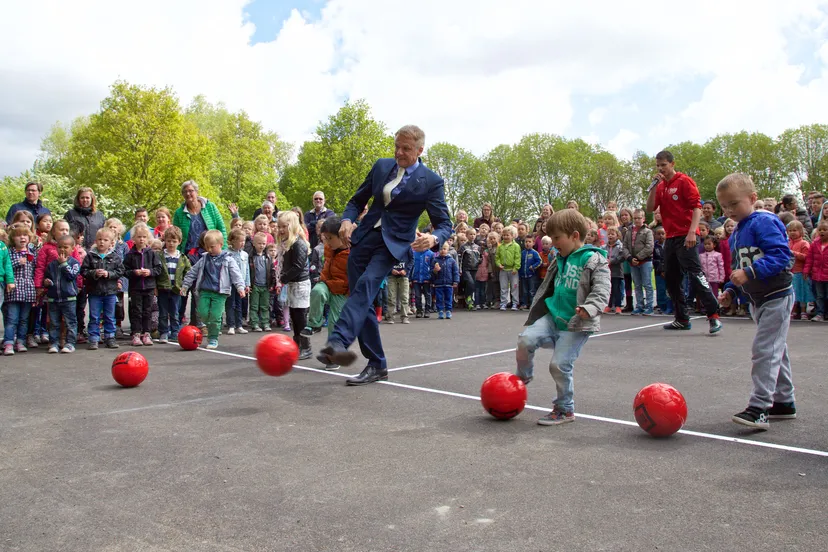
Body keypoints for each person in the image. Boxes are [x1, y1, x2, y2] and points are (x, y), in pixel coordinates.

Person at [316, 125, 453, 385]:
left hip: (393, 244)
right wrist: (347, 219)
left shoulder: (431, 182)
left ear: (420, 150)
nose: (399, 152)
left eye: (406, 148)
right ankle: (377, 364)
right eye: (397, 146)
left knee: (367, 285)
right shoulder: (381, 166)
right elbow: (357, 200)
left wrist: (434, 238)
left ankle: (337, 342)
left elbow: (445, 224)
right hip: (363, 238)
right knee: (362, 298)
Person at [515, 209, 610, 425]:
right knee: (525, 339)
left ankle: (565, 409)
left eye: (557, 237)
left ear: (575, 236)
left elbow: (603, 289)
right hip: (552, 316)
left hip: (574, 324)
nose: (552, 242)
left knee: (559, 365)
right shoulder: (559, 258)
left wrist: (590, 307)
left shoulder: (593, 259)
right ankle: (523, 377)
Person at [716, 173, 795, 429]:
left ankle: (760, 407)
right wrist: (730, 290)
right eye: (724, 206)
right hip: (758, 300)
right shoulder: (736, 231)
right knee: (775, 349)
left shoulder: (764, 222)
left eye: (734, 204)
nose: (729, 210)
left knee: (765, 350)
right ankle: (784, 402)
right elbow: (738, 266)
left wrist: (749, 273)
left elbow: (782, 256)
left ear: (752, 198)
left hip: (777, 296)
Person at [646, 150, 722, 334]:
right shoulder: (661, 185)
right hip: (670, 238)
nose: (660, 168)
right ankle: (681, 318)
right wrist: (654, 187)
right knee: (671, 279)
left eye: (663, 165)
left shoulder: (684, 181)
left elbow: (697, 207)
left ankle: (713, 316)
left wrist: (692, 232)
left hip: (686, 235)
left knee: (695, 275)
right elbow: (650, 208)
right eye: (658, 165)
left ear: (672, 164)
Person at [180, 230, 247, 350]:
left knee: (215, 316)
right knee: (202, 312)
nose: (209, 250)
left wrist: (240, 287)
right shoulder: (204, 259)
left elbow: (236, 274)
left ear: (221, 245)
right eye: (207, 247)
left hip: (220, 293)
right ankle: (210, 326)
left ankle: (213, 338)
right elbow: (192, 272)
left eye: (212, 247)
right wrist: (185, 285)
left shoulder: (228, 259)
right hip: (205, 291)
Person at [276, 211, 312, 359]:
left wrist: (283, 278)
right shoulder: (287, 243)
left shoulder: (299, 244)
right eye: (279, 226)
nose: (281, 229)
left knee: (301, 317)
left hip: (301, 285)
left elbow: (298, 266)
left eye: (284, 226)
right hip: (292, 284)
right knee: (294, 316)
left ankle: (306, 346)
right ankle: (297, 343)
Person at [81, 227, 124, 350]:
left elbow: (120, 271)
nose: (102, 242)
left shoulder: (115, 257)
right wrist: (94, 273)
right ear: (96, 240)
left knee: (109, 316)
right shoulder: (90, 256)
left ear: (111, 243)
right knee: (94, 316)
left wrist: (108, 274)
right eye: (99, 239)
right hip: (94, 292)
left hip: (110, 291)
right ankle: (94, 338)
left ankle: (110, 337)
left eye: (105, 240)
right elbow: (83, 271)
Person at [124, 224, 163, 346]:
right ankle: (136, 333)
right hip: (135, 288)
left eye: (144, 237)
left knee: (147, 310)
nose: (141, 239)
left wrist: (150, 272)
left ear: (148, 238)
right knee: (136, 311)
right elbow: (124, 270)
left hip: (149, 287)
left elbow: (158, 269)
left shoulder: (152, 253)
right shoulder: (130, 255)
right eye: (139, 237)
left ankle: (146, 333)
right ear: (133, 239)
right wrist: (135, 272)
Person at [43, 235, 81, 354]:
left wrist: (64, 264)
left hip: (69, 298)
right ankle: (54, 343)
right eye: (59, 247)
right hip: (53, 299)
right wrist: (46, 282)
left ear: (72, 248)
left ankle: (70, 343)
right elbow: (47, 278)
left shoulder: (74, 263)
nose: (62, 250)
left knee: (70, 322)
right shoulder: (52, 264)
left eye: (66, 247)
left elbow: (71, 276)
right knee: (54, 323)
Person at [3, 224, 35, 355]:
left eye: (25, 235)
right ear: (12, 238)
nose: (22, 238)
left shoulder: (32, 252)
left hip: (28, 291)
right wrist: (18, 263)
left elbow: (35, 270)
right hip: (14, 291)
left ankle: (20, 341)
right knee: (12, 319)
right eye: (18, 235)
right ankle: (9, 342)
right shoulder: (9, 252)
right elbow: (6, 267)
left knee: (24, 319)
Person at [173, 180, 228, 255]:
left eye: (190, 191)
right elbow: (176, 235)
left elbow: (221, 228)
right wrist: (177, 254)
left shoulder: (210, 207)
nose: (188, 194)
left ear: (196, 192)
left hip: (210, 252)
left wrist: (223, 249)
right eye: (185, 192)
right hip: (189, 255)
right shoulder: (179, 213)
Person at [157, 226, 191, 342]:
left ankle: (175, 331)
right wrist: (155, 288)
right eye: (168, 241)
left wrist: (185, 286)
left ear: (179, 242)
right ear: (165, 241)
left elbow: (188, 273)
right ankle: (163, 332)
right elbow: (156, 273)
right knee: (162, 312)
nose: (171, 244)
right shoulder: (160, 256)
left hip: (177, 290)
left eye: (174, 241)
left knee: (175, 312)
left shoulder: (182, 258)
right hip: (162, 289)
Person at [622, 209, 654, 315]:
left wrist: (639, 257)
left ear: (643, 219)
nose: (637, 220)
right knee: (637, 285)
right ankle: (639, 305)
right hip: (632, 262)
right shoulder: (629, 231)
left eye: (639, 218)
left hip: (645, 261)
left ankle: (649, 306)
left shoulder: (648, 231)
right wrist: (630, 258)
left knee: (647, 284)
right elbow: (625, 246)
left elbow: (649, 247)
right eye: (635, 218)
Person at [224, 229, 250, 336]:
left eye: (244, 241)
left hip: (241, 284)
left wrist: (247, 283)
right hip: (230, 283)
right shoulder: (226, 253)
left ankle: (239, 325)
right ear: (233, 241)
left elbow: (247, 269)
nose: (242, 243)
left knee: (239, 304)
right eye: (240, 241)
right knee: (230, 304)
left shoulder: (245, 254)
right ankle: (231, 325)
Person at [786, 220, 812, 320]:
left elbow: (807, 257)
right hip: (789, 272)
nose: (792, 232)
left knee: (801, 293)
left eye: (795, 230)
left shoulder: (804, 243)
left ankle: (804, 311)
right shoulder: (787, 243)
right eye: (790, 230)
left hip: (800, 273)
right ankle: (793, 311)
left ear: (801, 231)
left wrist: (794, 253)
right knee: (792, 293)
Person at [248, 233, 273, 332]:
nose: (261, 245)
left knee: (265, 305)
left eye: (263, 243)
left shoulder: (268, 257)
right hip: (255, 285)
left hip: (265, 285)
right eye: (259, 243)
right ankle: (254, 323)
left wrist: (272, 283)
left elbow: (272, 271)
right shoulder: (250, 257)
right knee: (254, 305)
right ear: (254, 243)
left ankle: (265, 323)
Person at [804, 219, 828, 321]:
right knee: (819, 295)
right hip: (817, 275)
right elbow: (809, 259)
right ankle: (820, 313)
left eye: (825, 230)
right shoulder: (814, 244)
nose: (822, 232)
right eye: (820, 230)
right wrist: (806, 270)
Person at [431, 241, 459, 319]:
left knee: (448, 297)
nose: (442, 250)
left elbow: (455, 271)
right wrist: (435, 271)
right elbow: (431, 273)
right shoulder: (435, 260)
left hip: (449, 283)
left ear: (447, 250)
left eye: (444, 249)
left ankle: (448, 311)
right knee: (439, 298)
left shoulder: (451, 260)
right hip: (438, 283)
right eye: (441, 249)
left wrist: (455, 281)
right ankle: (440, 310)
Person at [496, 226, 521, 311]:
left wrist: (516, 267)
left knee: (514, 287)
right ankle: (503, 303)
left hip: (513, 270)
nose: (506, 237)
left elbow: (518, 257)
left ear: (512, 236)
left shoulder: (516, 246)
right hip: (503, 270)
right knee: (503, 287)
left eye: (508, 235)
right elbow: (497, 257)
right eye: (504, 235)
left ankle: (515, 303)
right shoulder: (500, 246)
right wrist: (498, 264)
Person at [385, 248, 413, 324]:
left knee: (404, 297)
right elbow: (386, 259)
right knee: (391, 297)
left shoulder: (407, 247)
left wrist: (406, 270)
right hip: (392, 276)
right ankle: (390, 317)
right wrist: (391, 270)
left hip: (404, 276)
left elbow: (412, 260)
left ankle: (404, 316)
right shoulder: (391, 245)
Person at [410, 236, 434, 319]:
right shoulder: (414, 253)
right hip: (416, 278)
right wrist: (410, 278)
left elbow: (432, 267)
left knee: (427, 294)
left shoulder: (431, 254)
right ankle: (419, 310)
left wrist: (431, 277)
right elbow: (411, 266)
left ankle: (427, 310)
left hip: (427, 278)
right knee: (417, 295)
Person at [604, 226, 624, 314]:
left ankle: (618, 306)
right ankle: (608, 305)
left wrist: (611, 261)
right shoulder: (604, 247)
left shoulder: (620, 246)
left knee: (617, 290)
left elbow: (621, 257)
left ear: (617, 235)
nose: (610, 236)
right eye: (609, 234)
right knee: (609, 290)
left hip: (617, 272)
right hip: (607, 272)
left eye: (612, 234)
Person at [518, 236, 542, 309]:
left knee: (532, 291)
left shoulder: (534, 253)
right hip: (523, 275)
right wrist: (519, 273)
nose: (527, 243)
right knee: (524, 291)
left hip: (532, 275)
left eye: (529, 242)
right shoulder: (522, 253)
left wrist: (533, 266)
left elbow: (539, 261)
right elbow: (520, 263)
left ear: (533, 243)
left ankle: (532, 304)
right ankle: (524, 303)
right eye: (526, 242)